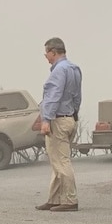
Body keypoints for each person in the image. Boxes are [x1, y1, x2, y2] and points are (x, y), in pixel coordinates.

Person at [35, 37, 82, 212]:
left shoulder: (58, 71)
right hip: (70, 117)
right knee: (56, 161)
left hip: (58, 120)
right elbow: (77, 96)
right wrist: (74, 115)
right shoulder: (74, 69)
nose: (45, 56)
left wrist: (46, 119)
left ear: (53, 52)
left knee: (61, 161)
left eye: (46, 53)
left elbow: (53, 97)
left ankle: (70, 200)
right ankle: (55, 199)